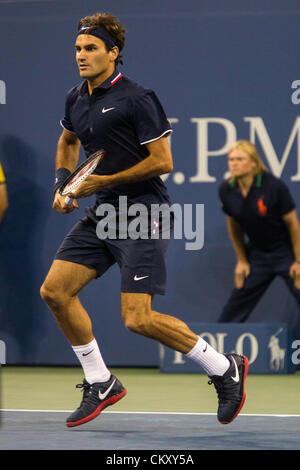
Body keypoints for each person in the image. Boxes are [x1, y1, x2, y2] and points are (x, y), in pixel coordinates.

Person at [40, 12, 248, 428]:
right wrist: (64, 184)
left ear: (113, 53)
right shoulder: (75, 98)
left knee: (138, 318)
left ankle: (225, 368)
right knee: (55, 292)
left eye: (91, 48)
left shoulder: (138, 97)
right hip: (103, 214)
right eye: (78, 49)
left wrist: (98, 182)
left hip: (143, 214)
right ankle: (100, 381)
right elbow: (67, 141)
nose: (81, 55)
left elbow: (162, 162)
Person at [218, 140, 300, 322]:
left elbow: (293, 224)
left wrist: (298, 261)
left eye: (240, 159)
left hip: (285, 252)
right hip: (257, 255)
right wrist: (242, 260)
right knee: (231, 314)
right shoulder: (227, 189)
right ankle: (217, 350)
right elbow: (234, 225)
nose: (234, 163)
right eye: (231, 159)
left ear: (254, 162)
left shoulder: (274, 187)